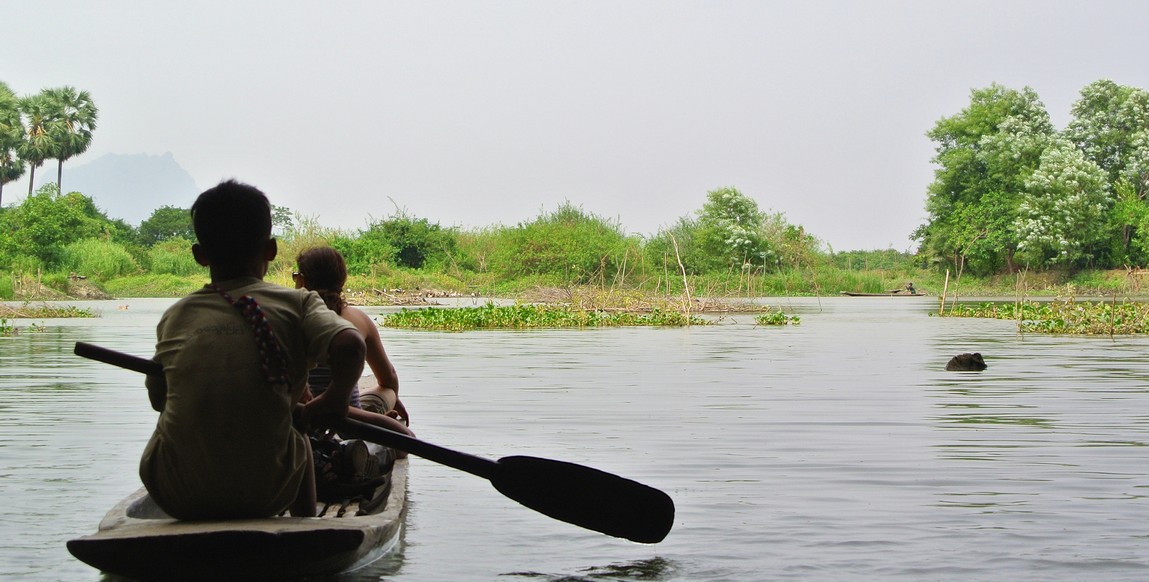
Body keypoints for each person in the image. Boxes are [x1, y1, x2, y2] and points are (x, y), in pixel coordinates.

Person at [140, 180, 366, 520]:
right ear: (271, 250)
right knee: (298, 431)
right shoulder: (300, 302)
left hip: (175, 492)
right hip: (267, 492)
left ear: (200, 255)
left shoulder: (176, 315)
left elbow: (159, 399)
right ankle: (305, 524)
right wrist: (335, 400)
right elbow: (350, 344)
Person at [294, 246, 414, 442]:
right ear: (342, 281)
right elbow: (388, 378)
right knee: (387, 391)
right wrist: (392, 400)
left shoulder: (287, 316)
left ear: (303, 280)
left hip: (305, 415)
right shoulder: (358, 319)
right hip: (348, 421)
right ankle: (379, 415)